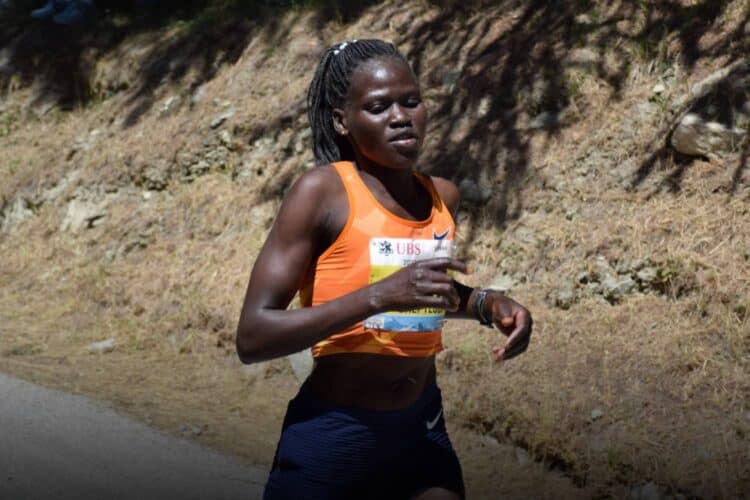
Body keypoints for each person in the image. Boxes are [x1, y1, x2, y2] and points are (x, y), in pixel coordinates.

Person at [236, 39, 533, 500]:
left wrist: (485, 303)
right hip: (334, 435)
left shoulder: (442, 197)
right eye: (378, 107)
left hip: (421, 430)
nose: (400, 117)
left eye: (411, 101)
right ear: (342, 121)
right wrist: (378, 296)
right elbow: (253, 337)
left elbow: (418, 292)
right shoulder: (321, 194)